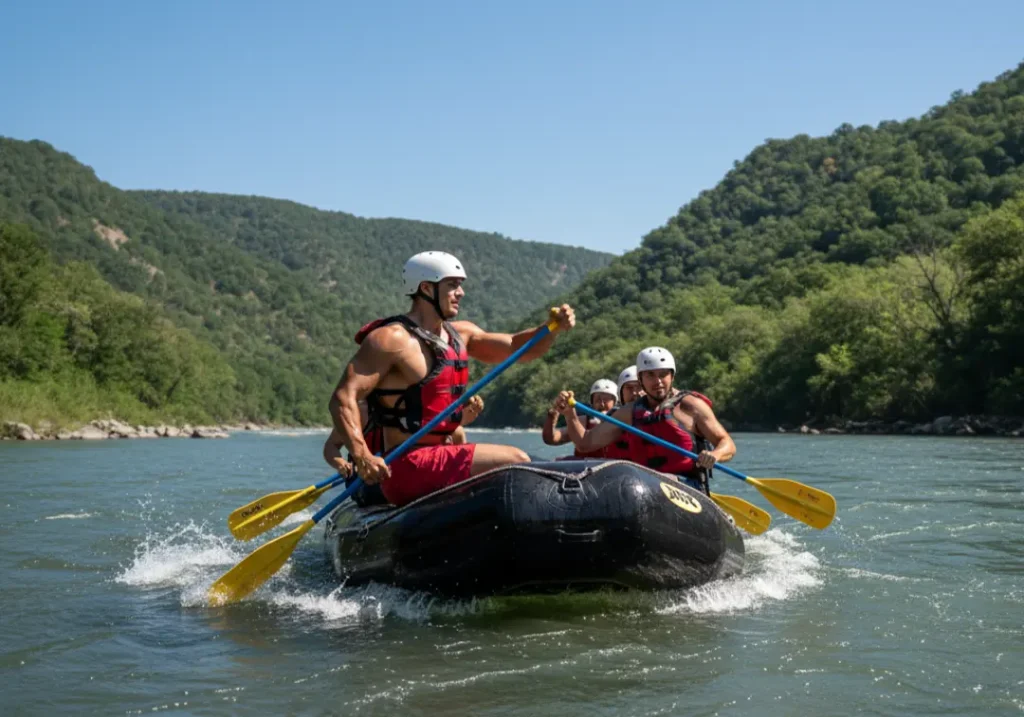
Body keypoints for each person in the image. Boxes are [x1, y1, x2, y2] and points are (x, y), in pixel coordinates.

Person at [328, 251, 575, 506]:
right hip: (406, 466)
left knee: (529, 463)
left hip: (442, 455)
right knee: (516, 460)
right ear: (426, 288)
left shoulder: (462, 334)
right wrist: (361, 455)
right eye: (452, 285)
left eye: (460, 285)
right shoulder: (391, 339)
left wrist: (550, 328)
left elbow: (517, 347)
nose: (461, 293)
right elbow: (343, 398)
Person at [555, 347, 735, 494]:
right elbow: (586, 443)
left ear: (672, 376)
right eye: (650, 375)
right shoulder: (629, 413)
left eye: (663, 374)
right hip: (643, 487)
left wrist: (715, 455)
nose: (658, 381)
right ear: (640, 379)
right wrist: (570, 415)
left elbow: (727, 443)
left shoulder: (691, 406)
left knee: (644, 485)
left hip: (687, 487)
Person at [322, 395, 485, 505]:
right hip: (366, 482)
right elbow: (331, 446)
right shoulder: (360, 413)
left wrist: (458, 420)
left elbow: (456, 439)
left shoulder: (415, 406)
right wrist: (340, 463)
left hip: (404, 473)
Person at [542, 379, 617, 459]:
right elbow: (551, 439)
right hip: (585, 468)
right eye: (598, 399)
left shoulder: (624, 422)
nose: (601, 404)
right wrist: (552, 417)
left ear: (615, 403)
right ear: (592, 402)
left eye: (606, 400)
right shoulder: (582, 422)